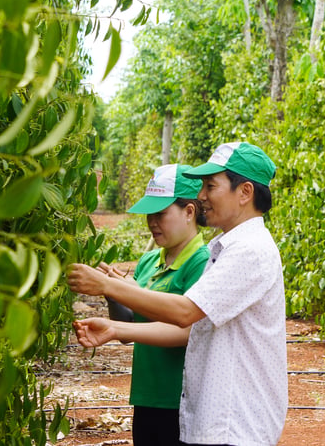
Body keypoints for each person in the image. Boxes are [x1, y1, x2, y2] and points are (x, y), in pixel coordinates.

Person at [68, 142, 287, 446]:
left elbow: (186, 313)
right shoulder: (224, 249)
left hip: (234, 426)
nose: (201, 197)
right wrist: (119, 319)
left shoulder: (250, 251)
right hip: (215, 421)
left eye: (211, 186)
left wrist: (107, 286)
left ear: (245, 193)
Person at [91, 163, 210, 446]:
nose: (152, 222)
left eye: (161, 213)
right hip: (146, 397)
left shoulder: (202, 263)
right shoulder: (148, 262)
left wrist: (120, 305)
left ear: (189, 212)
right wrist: (115, 295)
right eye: (149, 214)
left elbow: (187, 330)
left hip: (182, 400)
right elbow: (132, 323)